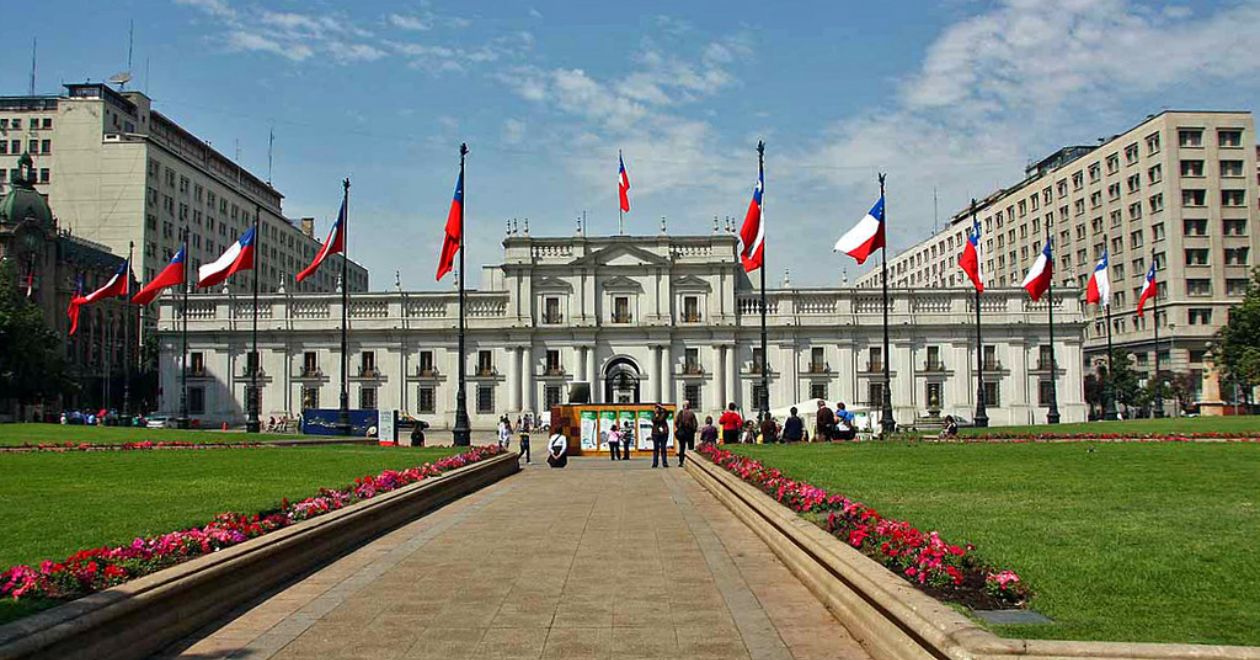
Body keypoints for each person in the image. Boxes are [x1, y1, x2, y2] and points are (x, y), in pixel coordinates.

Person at [675, 400, 698, 466]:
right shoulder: (691, 413)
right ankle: (691, 462)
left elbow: (676, 422)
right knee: (690, 448)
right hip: (689, 432)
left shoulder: (680, 413)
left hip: (682, 432)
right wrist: (693, 430)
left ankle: (681, 462)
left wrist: (679, 428)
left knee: (682, 448)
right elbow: (695, 423)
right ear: (689, 406)